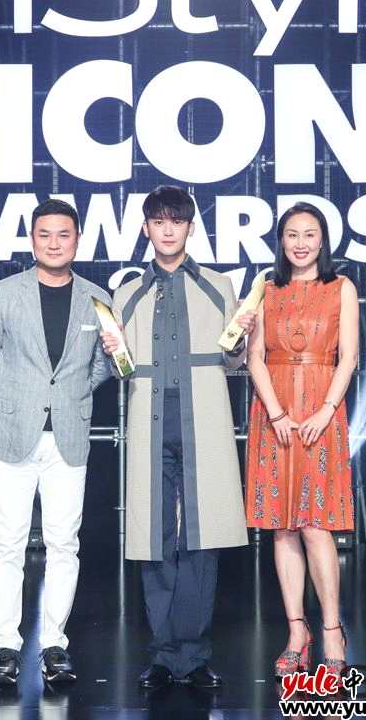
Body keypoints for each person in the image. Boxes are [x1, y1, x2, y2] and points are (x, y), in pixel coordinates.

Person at [101, 186, 256, 690]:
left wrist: (243, 337)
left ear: (190, 227)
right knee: (155, 537)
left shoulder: (218, 285)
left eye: (177, 221)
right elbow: (121, 368)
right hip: (149, 420)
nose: (168, 230)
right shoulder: (126, 293)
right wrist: (111, 351)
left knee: (201, 537)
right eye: (159, 221)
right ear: (146, 228)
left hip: (203, 420)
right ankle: (164, 655)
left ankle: (194, 654)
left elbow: (234, 360)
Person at [0, 198, 112, 685]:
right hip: (12, 433)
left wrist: (69, 396)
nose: (54, 243)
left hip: (68, 434)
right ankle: (5, 647)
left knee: (64, 543)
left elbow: (104, 363)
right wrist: (17, 398)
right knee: (8, 543)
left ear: (77, 240)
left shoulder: (96, 298)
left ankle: (54, 644)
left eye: (63, 234)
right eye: (45, 234)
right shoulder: (3, 293)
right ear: (32, 240)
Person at [245, 202, 358, 681]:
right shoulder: (266, 288)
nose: (301, 243)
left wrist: (326, 410)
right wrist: (276, 413)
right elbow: (254, 357)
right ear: (281, 240)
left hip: (320, 413)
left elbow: (348, 357)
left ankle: (331, 630)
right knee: (282, 527)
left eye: (310, 234)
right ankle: (297, 633)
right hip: (274, 413)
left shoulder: (342, 287)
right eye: (292, 234)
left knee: (315, 525)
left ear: (322, 240)